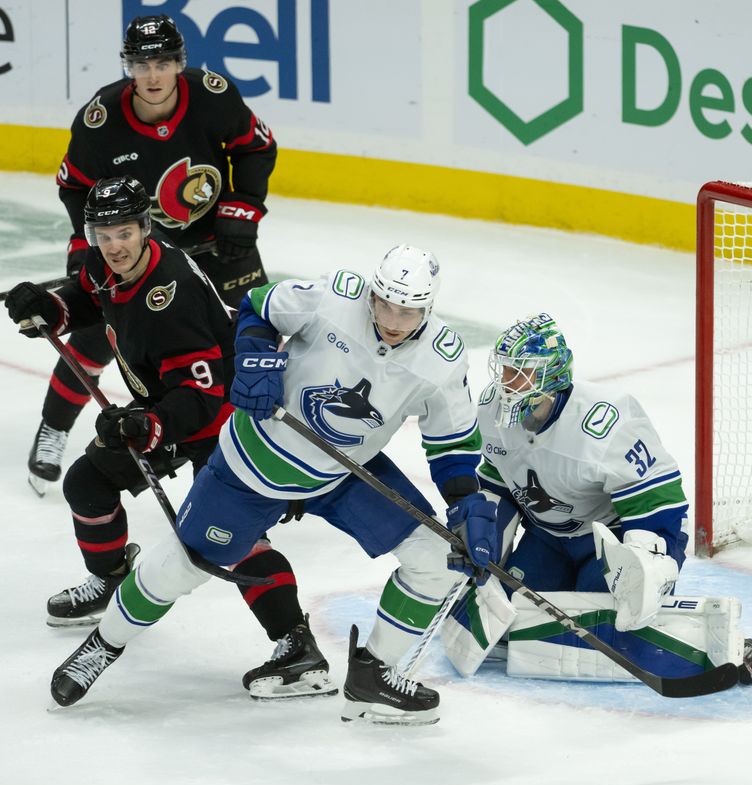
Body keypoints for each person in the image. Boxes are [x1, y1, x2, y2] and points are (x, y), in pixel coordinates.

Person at [48, 244, 499, 726]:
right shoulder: (336, 294)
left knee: (436, 557)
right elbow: (259, 308)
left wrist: (466, 500)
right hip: (256, 463)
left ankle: (373, 678)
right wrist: (256, 357)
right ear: (372, 290)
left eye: (407, 311)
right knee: (180, 567)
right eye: (384, 303)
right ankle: (104, 644)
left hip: (342, 471)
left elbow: (450, 443)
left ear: (428, 309)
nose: (392, 319)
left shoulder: (443, 359)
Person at [441, 313, 752, 685]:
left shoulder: (605, 423)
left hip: (611, 540)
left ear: (552, 374)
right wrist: (483, 535)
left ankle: (741, 647)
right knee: (506, 619)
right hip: (547, 538)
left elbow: (660, 506)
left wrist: (644, 566)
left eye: (521, 372)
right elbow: (499, 484)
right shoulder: (492, 411)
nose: (506, 383)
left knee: (604, 627)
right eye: (505, 371)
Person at [28, 14, 277, 497]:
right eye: (142, 64)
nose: (154, 75)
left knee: (251, 339)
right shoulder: (100, 119)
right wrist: (88, 247)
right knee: (98, 340)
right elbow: (75, 186)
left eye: (163, 62)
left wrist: (241, 210)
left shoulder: (212, 94)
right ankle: (54, 427)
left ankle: (263, 448)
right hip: (135, 254)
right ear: (129, 68)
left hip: (218, 245)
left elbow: (256, 148)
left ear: (179, 63)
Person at [4, 176, 237, 628]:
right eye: (103, 235)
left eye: (124, 233)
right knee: (87, 483)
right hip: (170, 408)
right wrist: (49, 308)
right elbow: (89, 299)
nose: (113, 246)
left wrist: (148, 425)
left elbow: (201, 394)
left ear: (145, 228)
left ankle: (295, 643)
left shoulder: (171, 293)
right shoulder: (107, 264)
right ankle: (110, 581)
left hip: (222, 417)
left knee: (234, 536)